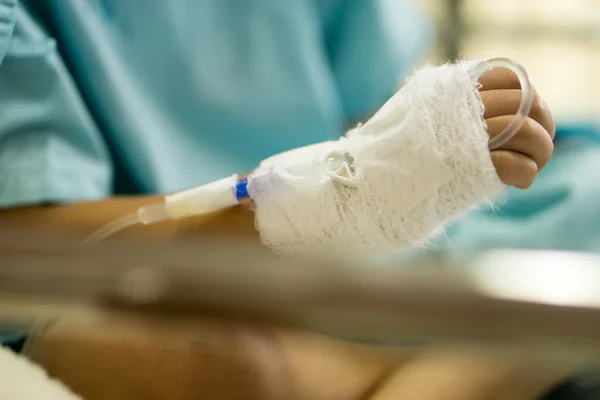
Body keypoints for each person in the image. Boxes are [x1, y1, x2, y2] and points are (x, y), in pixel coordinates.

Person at [0, 0, 561, 398]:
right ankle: (495, 360)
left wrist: (399, 157)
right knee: (148, 357)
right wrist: (349, 189)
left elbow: (367, 105)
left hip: (360, 276)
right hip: (153, 282)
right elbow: (20, 248)